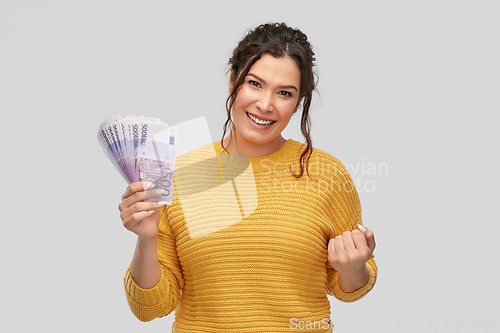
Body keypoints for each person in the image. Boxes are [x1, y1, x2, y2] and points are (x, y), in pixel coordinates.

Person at [118, 22, 377, 332]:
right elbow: (150, 308)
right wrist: (146, 240)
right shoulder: (186, 170)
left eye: (284, 93)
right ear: (233, 80)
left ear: (298, 102)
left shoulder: (324, 173)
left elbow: (349, 286)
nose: (265, 105)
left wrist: (353, 267)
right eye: (255, 84)